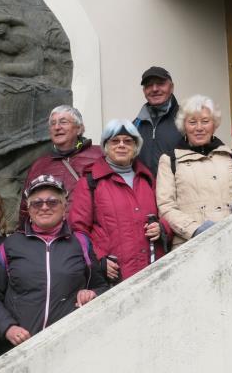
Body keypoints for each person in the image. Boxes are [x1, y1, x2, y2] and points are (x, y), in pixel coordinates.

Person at [0, 175, 107, 349]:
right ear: (28, 209)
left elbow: (102, 286)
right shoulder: (11, 244)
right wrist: (8, 327)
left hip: (69, 344)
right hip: (21, 347)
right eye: (37, 203)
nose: (44, 207)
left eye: (52, 202)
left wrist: (92, 294)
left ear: (64, 207)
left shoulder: (80, 243)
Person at [69, 120, 169, 284]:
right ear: (106, 147)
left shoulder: (147, 179)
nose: (121, 145)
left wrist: (162, 228)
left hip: (153, 271)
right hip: (116, 275)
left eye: (128, 141)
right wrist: (99, 260)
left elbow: (166, 213)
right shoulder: (90, 182)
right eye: (115, 141)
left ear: (136, 147)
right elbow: (78, 229)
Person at [156, 95, 232, 246]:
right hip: (191, 244)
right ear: (184, 126)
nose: (199, 128)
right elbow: (166, 207)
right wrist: (195, 229)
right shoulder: (169, 160)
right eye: (192, 122)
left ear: (214, 124)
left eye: (205, 121)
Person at [18, 105, 100, 228]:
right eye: (53, 123)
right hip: (50, 239)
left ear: (79, 129)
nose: (57, 127)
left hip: (90, 235)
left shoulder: (99, 156)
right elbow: (26, 207)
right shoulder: (40, 165)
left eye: (63, 122)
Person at [133, 66, 181, 178]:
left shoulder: (188, 120)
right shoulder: (135, 125)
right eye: (149, 85)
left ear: (172, 87)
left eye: (160, 83)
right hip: (145, 193)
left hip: (177, 192)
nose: (154, 89)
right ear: (144, 91)